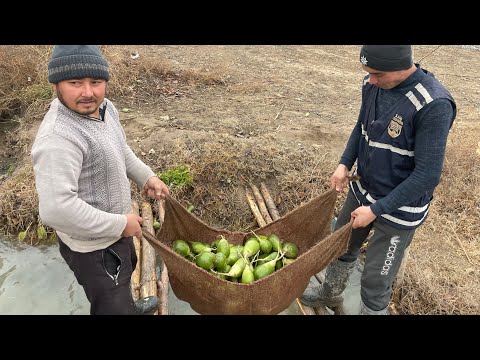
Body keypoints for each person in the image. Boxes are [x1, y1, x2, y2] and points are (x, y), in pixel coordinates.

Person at [301, 45, 456, 315]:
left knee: (375, 279)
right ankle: (330, 295)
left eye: (377, 74)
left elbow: (427, 175)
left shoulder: (433, 104)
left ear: (402, 67)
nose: (370, 79)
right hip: (363, 188)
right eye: (368, 73)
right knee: (340, 246)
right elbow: (361, 128)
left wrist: (375, 211)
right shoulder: (372, 85)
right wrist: (343, 164)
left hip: (400, 208)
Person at [32, 45, 170, 315]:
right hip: (93, 249)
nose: (87, 92)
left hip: (117, 231)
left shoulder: (104, 108)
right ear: (56, 84)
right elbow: (56, 209)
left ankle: (129, 306)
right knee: (110, 303)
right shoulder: (58, 139)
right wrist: (120, 224)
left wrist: (146, 176)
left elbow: (120, 148)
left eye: (95, 82)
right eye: (75, 83)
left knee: (124, 276)